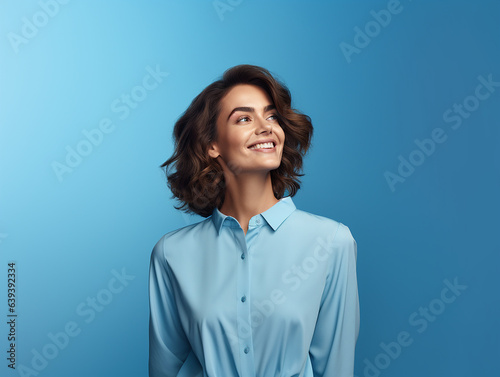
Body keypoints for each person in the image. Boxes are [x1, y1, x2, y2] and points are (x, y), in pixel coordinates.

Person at [149, 64, 359, 377]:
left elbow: (337, 368)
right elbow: (165, 369)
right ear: (212, 145)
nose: (266, 127)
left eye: (272, 116)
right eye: (244, 118)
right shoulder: (172, 253)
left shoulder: (331, 243)